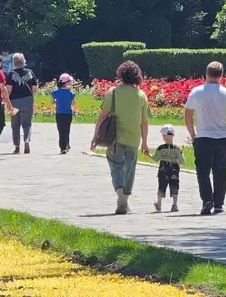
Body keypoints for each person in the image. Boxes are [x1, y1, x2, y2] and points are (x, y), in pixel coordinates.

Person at [185, 61, 226, 216]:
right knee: (220, 171)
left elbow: (188, 115)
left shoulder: (196, 92)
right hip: (223, 137)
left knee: (203, 171)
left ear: (206, 74)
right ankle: (219, 203)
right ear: (221, 75)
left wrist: (193, 134)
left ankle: (207, 200)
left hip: (204, 136)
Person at [90, 61, 151, 215]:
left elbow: (103, 115)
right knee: (130, 169)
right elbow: (144, 122)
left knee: (116, 167)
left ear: (120, 75)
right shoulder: (141, 95)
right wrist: (145, 142)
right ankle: (125, 200)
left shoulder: (114, 92)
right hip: (134, 139)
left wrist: (95, 135)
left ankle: (120, 197)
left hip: (115, 138)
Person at [6, 53, 38, 154]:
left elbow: (9, 90)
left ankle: (17, 146)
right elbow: (34, 88)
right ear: (24, 61)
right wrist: (32, 99)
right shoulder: (30, 72)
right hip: (27, 100)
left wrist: (7, 102)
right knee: (27, 124)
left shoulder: (11, 75)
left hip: (14, 101)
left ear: (14, 63)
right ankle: (27, 140)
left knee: (15, 125)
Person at [153, 125, 186, 213]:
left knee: (161, 186)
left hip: (163, 170)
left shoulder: (161, 148)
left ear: (163, 136)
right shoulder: (177, 148)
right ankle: (174, 204)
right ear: (173, 135)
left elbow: (155, 158)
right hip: (174, 170)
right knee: (174, 186)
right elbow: (182, 161)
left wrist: (148, 155)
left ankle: (159, 203)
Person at [51, 73, 75, 154]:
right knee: (67, 129)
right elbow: (73, 103)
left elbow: (52, 101)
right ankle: (67, 144)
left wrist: (56, 101)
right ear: (66, 83)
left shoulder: (55, 92)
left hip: (59, 113)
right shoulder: (71, 93)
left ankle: (62, 147)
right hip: (68, 114)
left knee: (60, 130)